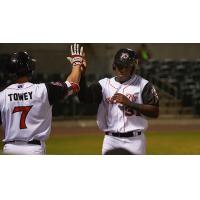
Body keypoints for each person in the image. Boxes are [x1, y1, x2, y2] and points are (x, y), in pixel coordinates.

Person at [0, 43, 84, 155]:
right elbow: (72, 83)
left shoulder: (2, 95)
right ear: (28, 68)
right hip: (33, 149)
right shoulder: (43, 90)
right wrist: (76, 63)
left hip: (9, 149)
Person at [78, 48, 159, 155]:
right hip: (111, 140)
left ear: (133, 67)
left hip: (135, 140)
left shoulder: (144, 85)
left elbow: (155, 111)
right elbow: (84, 97)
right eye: (120, 66)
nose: (123, 70)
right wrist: (81, 75)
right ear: (114, 66)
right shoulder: (104, 85)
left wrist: (129, 103)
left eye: (127, 66)